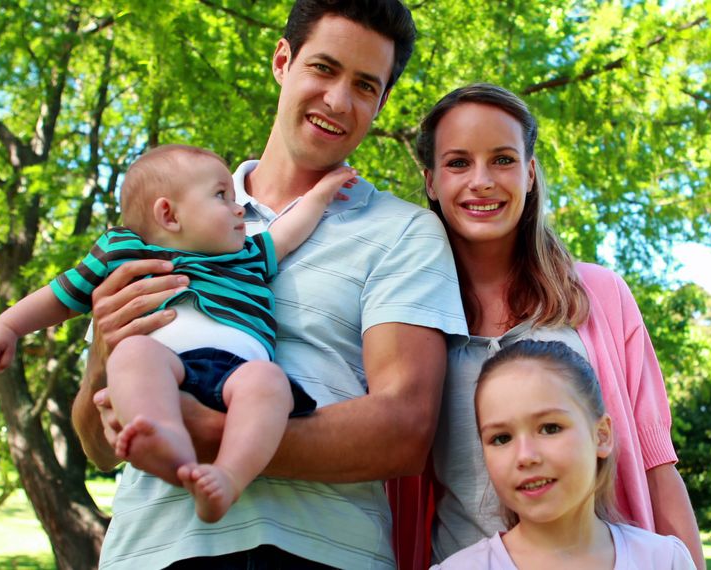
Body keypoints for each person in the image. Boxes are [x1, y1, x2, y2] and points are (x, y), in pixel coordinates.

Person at [71, 1, 467, 568]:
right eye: (324, 69)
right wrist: (102, 359)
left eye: (364, 85)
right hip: (154, 550)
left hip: (323, 554)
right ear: (283, 60)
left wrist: (210, 434)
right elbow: (97, 447)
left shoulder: (404, 232)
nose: (337, 100)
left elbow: (404, 431)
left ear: (380, 104)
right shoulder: (174, 216)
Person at [0, 144, 358, 523]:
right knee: (132, 355)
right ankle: (161, 439)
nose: (239, 206)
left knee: (270, 382)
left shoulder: (247, 254)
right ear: (169, 215)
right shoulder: (123, 253)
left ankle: (228, 476)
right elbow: (61, 294)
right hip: (163, 369)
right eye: (222, 196)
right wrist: (7, 326)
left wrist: (322, 194)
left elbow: (290, 230)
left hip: (237, 374)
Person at [416, 83, 706, 568]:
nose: (482, 180)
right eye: (459, 162)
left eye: (503, 159)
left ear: (530, 174)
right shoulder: (412, 314)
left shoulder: (600, 296)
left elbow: (657, 465)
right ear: (430, 181)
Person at [433, 340, 696, 569]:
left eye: (550, 428)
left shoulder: (665, 560)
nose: (525, 456)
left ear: (602, 435)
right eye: (501, 438)